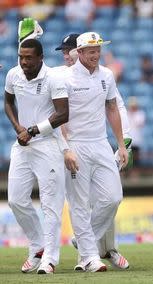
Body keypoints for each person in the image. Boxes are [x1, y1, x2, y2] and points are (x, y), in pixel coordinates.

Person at [53, 33, 131, 270]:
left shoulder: (107, 75)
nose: (95, 55)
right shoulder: (63, 77)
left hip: (100, 143)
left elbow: (112, 108)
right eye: (90, 51)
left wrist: (120, 143)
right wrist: (66, 149)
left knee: (113, 197)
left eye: (98, 50)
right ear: (79, 52)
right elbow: (60, 116)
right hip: (76, 144)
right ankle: (89, 257)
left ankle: (83, 240)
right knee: (78, 202)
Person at [4, 38, 69, 274]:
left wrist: (32, 130)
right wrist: (17, 127)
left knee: (50, 205)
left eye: (28, 57)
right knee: (16, 199)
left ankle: (49, 259)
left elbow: (63, 114)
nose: (23, 62)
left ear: (40, 58)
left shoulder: (53, 78)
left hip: (47, 145)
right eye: (21, 57)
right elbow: (8, 102)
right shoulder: (13, 74)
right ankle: (38, 245)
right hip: (22, 144)